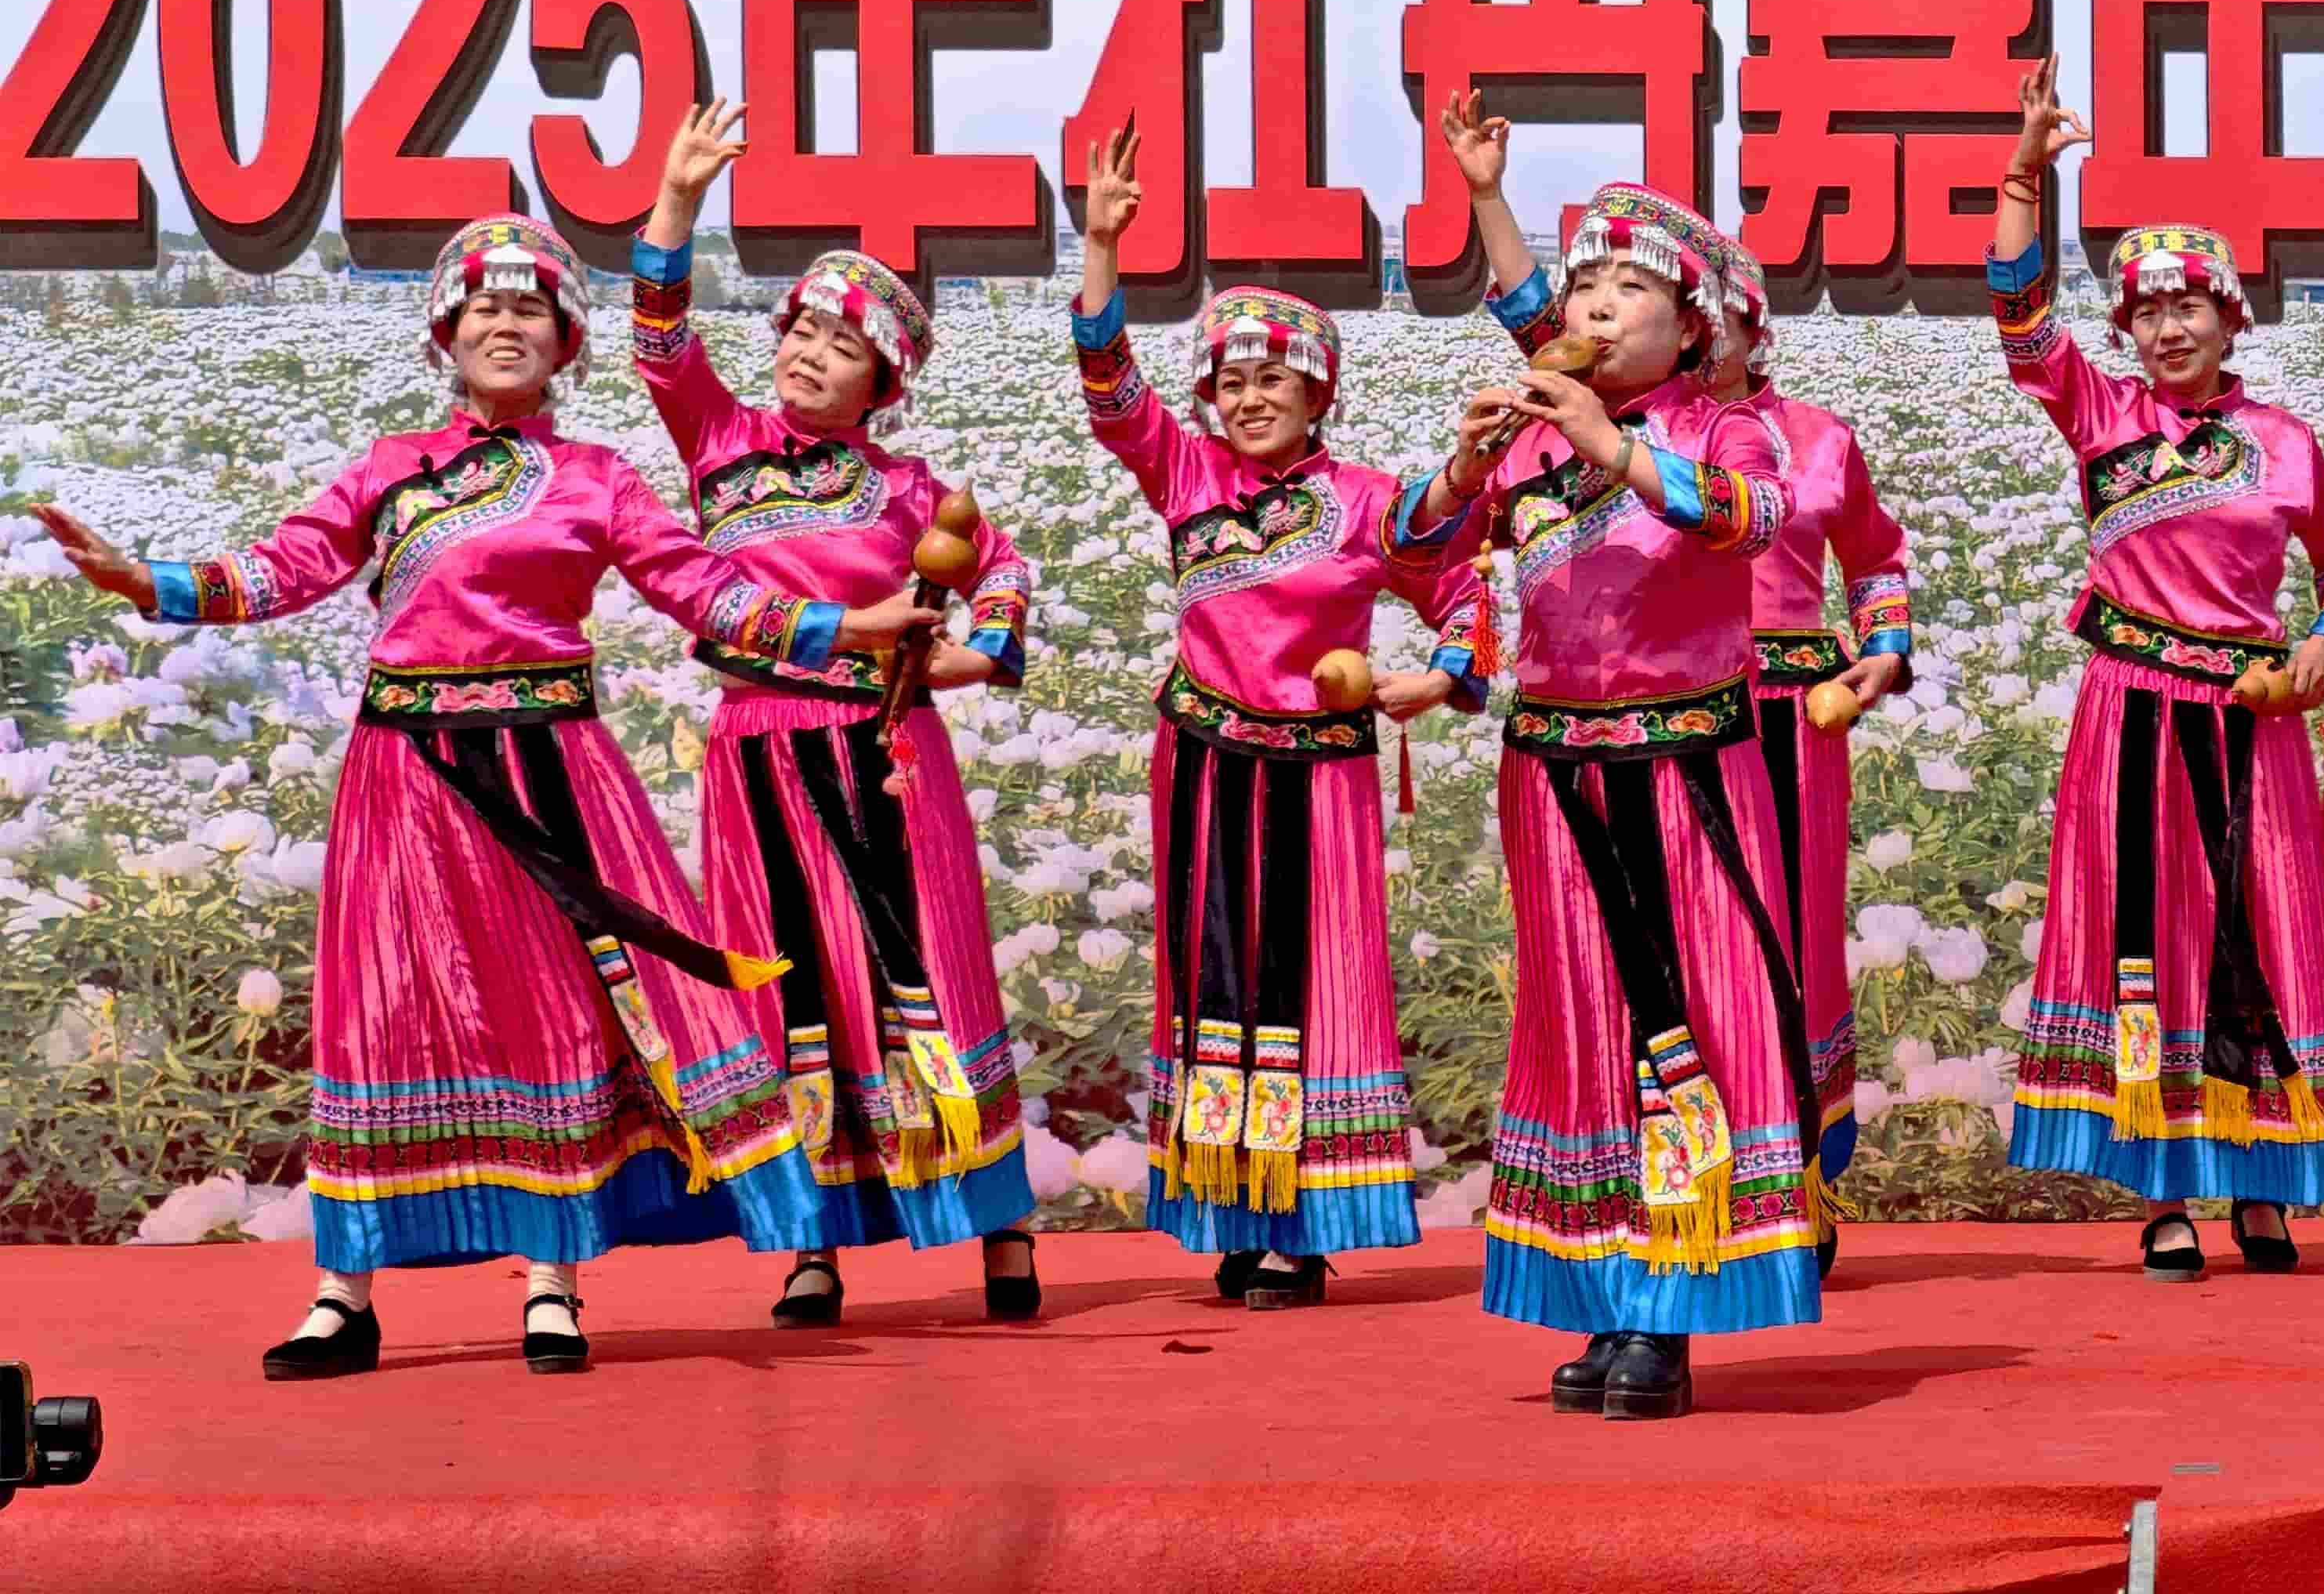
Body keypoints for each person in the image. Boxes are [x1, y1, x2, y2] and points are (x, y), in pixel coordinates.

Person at [36, 215, 933, 1378]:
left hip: (549, 772)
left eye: (531, 312)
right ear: (448, 335)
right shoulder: (388, 468)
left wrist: (845, 628)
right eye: (486, 309)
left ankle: (554, 1279)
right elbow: (283, 568)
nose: (507, 328)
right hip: (406, 776)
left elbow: (701, 590)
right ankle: (343, 1294)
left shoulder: (600, 479)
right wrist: (142, 578)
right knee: (382, 1011)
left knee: (553, 1010)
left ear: (566, 343)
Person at [1398, 95, 1821, 1419]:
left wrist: (1613, 447)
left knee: (1682, 1015)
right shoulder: (1532, 422)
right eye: (1586, 282)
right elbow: (1410, 549)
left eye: (1630, 287)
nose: (1593, 302)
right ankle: (1602, 1287)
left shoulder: (1720, 426)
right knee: (1580, 1018)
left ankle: (1672, 1305)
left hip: (1681, 763)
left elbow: (1755, 521)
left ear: (1691, 326)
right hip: (1551, 764)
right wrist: (1463, 462)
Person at [634, 102, 1040, 1327]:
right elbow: (659, 339)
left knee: (928, 976)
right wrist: (678, 197)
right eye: (802, 328)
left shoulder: (912, 491)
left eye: (842, 343)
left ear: (885, 381)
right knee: (788, 987)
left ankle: (1001, 1226)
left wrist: (970, 657)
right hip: (756, 750)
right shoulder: (717, 440)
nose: (810, 352)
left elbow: (1003, 572)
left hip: (883, 753)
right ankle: (811, 1244)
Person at [1075, 123, 1488, 1306]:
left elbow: (1459, 582)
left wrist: (1437, 676)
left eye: (1274, 379)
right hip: (1206, 761)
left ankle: (1305, 1224)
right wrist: (1101, 246)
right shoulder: (1184, 472)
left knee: (1313, 984)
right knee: (1212, 983)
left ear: (1318, 392)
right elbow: (1110, 392)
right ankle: (1229, 1204)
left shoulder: (1364, 502)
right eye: (1231, 381)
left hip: (1321, 775)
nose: (1249, 399)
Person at [1986, 59, 2324, 1281]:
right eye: (2145, 312)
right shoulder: (2099, 413)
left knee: (2258, 930)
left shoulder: (2283, 443)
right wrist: (2022, 177)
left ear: (2230, 317)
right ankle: (2158, 1189)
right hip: (2132, 714)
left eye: (2187, 307)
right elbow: (2018, 317)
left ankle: (2263, 1183)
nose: (2165, 328)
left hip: (2252, 720)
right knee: (2142, 935)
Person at [1676, 218, 1912, 1254]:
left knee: (1795, 934)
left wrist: (1885, 649)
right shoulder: (1631, 443)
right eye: (1682, 317)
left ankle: (1798, 1181)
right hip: (1672, 713)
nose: (1700, 337)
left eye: (1713, 317)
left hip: (1796, 719)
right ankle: (1686, 1177)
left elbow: (1877, 558)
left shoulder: (1819, 438)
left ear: (1750, 325)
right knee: (1686, 935)